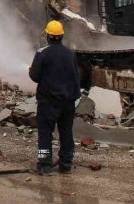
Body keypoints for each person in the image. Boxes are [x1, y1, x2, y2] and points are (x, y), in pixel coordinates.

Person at [28, 20, 81, 175]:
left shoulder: (42, 53)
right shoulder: (70, 53)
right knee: (66, 132)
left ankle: (45, 165)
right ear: (62, 36)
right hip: (68, 102)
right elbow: (75, 75)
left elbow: (35, 76)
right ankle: (65, 165)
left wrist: (33, 70)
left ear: (48, 36)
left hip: (48, 101)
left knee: (45, 134)